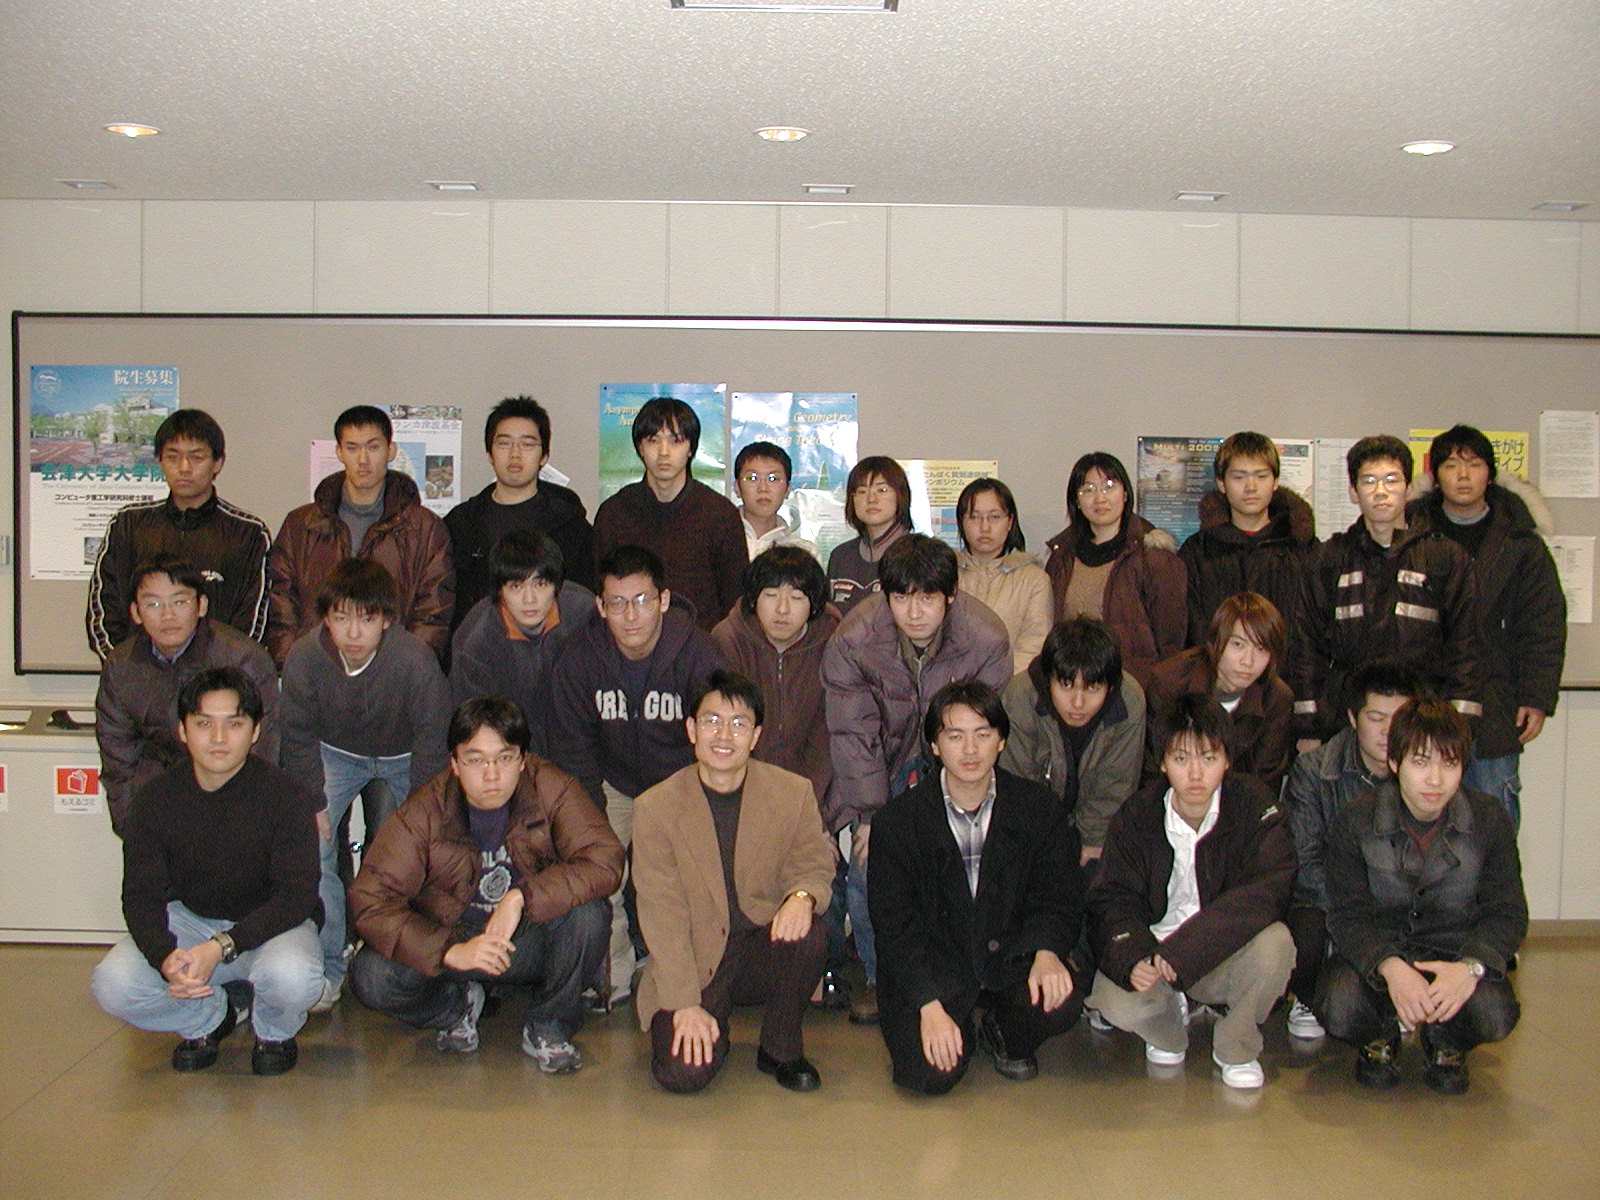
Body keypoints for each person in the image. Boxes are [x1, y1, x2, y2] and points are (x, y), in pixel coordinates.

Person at [348, 697, 622, 1071]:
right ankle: (455, 1009)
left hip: (526, 940)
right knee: (371, 976)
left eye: (504, 758)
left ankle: (549, 1026)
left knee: (589, 914)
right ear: (455, 764)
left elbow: (605, 859)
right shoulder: (425, 810)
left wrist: (522, 896)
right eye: (476, 760)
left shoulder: (552, 787)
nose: (492, 774)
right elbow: (370, 899)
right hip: (454, 940)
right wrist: (447, 950)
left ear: (522, 760)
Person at [90, 667, 322, 1077]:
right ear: (182, 730)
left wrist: (222, 946)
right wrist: (164, 956)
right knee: (113, 984)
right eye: (203, 724)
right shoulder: (154, 800)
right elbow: (141, 895)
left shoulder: (287, 797)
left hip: (270, 926)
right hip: (193, 921)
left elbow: (297, 897)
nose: (218, 738)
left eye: (234, 724)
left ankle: (274, 1032)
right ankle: (209, 1019)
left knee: (295, 979)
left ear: (255, 731)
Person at [821, 533, 1011, 1024]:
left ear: (950, 596)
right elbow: (853, 731)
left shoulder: (986, 638)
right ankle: (881, 979)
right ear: (885, 596)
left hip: (956, 765)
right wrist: (872, 816)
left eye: (928, 597)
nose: (915, 611)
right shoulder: (855, 639)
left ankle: (962, 977)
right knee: (869, 867)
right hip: (877, 769)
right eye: (901, 598)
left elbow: (982, 730)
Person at [870, 681, 1085, 1094]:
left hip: (1009, 957)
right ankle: (959, 1027)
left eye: (982, 734)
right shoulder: (897, 823)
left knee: (1062, 998)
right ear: (934, 746)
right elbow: (895, 926)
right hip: (936, 966)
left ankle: (1001, 1032)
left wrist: (1047, 950)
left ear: (1001, 741)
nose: (970, 750)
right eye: (955, 736)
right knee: (927, 1077)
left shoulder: (1038, 808)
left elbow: (1058, 893)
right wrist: (929, 1006)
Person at [634, 671, 835, 1093]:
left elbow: (814, 862)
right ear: (691, 729)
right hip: (696, 958)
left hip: (761, 944)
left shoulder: (792, 792)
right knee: (683, 1075)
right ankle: (706, 1023)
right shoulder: (656, 807)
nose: (724, 735)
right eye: (711, 721)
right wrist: (684, 1003)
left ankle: (780, 1047)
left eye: (739, 724)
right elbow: (661, 914)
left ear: (756, 735)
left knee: (810, 930)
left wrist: (801, 896)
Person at [1086, 694, 1295, 1090]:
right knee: (1112, 999)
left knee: (1277, 943)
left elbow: (1268, 888)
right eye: (1181, 759)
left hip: (1220, 951)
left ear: (1228, 760)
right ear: (1163, 762)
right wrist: (1132, 955)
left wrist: (1187, 951)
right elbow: (1112, 897)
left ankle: (1237, 1046)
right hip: (1157, 955)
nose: (1195, 774)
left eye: (1209, 758)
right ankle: (1168, 1027)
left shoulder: (1254, 806)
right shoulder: (1137, 814)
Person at [1317, 699, 1526, 1095]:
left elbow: (1507, 912)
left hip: (1455, 955)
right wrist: (1391, 967)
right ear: (1395, 763)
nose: (1435, 780)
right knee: (1338, 1004)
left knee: (1496, 1013)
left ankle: (1446, 1042)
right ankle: (1380, 1037)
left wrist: (1470, 968)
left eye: (1449, 764)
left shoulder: (1489, 818)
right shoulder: (1355, 819)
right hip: (1381, 960)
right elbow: (1346, 915)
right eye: (1420, 762)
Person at [547, 545, 727, 1004]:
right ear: (600, 606)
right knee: (597, 866)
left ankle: (687, 972)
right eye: (618, 603)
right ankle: (614, 973)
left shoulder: (700, 653)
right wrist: (593, 822)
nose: (631, 616)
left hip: (683, 782)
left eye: (643, 600)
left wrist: (700, 803)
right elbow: (573, 748)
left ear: (663, 600)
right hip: (610, 781)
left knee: (686, 877)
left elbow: (720, 739)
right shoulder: (578, 658)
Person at [279, 558, 452, 1012]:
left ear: (387, 620)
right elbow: (296, 734)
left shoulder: (415, 660)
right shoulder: (305, 657)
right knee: (312, 843)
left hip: (404, 756)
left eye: (367, 619)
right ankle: (329, 962)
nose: (353, 633)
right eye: (341, 618)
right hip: (335, 752)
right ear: (325, 619)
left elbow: (432, 738)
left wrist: (421, 810)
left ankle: (401, 951)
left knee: (420, 848)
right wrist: (312, 801)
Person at [1406, 424, 1566, 827]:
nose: (1463, 475)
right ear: (1435, 476)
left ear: (1490, 474)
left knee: (1493, 821)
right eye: (1451, 465)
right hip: (1425, 697)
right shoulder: (1410, 535)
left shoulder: (1521, 543)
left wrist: (1536, 696)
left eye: (1474, 464)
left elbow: (1543, 625)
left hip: (1496, 703)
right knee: (1421, 822)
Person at [710, 545, 845, 1004]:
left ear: (815, 602)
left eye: (797, 597)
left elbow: (828, 733)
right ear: (753, 599)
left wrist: (807, 813)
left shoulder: (835, 641)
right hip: (743, 792)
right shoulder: (728, 640)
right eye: (771, 595)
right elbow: (728, 736)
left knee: (825, 875)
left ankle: (818, 972)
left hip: (814, 794)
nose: (783, 609)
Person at [1290, 434, 1482, 746]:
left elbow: (1466, 646)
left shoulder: (1444, 557)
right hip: (1345, 723)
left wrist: (1459, 727)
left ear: (1409, 489)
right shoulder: (1328, 560)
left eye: (1392, 480)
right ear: (1354, 492)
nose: (1381, 491)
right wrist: (1308, 729)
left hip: (1423, 725)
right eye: (1369, 481)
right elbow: (1305, 647)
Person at [1282, 659, 1422, 1041]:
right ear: (1352, 717)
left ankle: (1402, 995)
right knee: (1303, 929)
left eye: (1398, 718)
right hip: (1331, 900)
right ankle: (1309, 996)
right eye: (1376, 718)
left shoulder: (1427, 773)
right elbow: (1305, 862)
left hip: (1399, 906)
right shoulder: (1314, 771)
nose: (1388, 731)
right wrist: (1359, 907)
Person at [95, 556, 281, 837]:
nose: (167, 615)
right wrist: (132, 829)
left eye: (180, 602)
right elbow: (118, 760)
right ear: (135, 612)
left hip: (229, 801)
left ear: (201, 605)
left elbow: (263, 752)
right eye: (153, 604)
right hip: (157, 800)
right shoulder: (121, 666)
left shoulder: (243, 659)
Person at [266, 404, 454, 665]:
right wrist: (295, 664)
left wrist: (406, 671)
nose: (363, 459)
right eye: (352, 448)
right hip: (316, 670)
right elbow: (281, 607)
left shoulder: (425, 529)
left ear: (391, 450)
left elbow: (433, 614)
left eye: (373, 447)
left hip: (394, 675)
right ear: (339, 452)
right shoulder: (301, 525)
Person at [87, 409, 271, 659]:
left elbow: (252, 625)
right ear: (160, 461)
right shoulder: (128, 525)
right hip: (138, 676)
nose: (184, 468)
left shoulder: (247, 534)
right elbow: (104, 613)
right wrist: (127, 670)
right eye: (173, 457)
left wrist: (219, 678)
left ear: (218, 463)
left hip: (218, 678)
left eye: (197, 457)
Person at [999, 616, 1146, 867]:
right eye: (1066, 686)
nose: (1078, 703)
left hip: (1099, 826)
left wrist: (1092, 839)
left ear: (1111, 687)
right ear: (1048, 678)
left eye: (1092, 688)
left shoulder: (1129, 700)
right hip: (1032, 826)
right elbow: (1018, 786)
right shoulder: (1020, 696)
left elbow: (1117, 782)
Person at [592, 396, 746, 630]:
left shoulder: (720, 515)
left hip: (701, 643)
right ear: (640, 448)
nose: (663, 452)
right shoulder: (614, 513)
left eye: (676, 441)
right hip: (629, 641)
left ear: (691, 449)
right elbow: (601, 593)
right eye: (653, 440)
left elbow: (735, 603)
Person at [445, 395, 596, 625]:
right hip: (480, 640)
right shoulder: (461, 523)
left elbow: (583, 603)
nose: (515, 453)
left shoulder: (570, 525)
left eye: (527, 444)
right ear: (489, 453)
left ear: (544, 456)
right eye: (504, 443)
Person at [1043, 451, 1186, 684]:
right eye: (1088, 489)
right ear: (1076, 501)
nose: (1100, 498)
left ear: (1125, 494)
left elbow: (1171, 641)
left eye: (1109, 486)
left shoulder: (1155, 558)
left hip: (1134, 686)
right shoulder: (1061, 559)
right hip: (1071, 685)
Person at [448, 529, 594, 756]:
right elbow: (474, 729)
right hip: (510, 753)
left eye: (540, 584)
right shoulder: (475, 644)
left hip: (582, 745)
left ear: (557, 585)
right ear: (499, 590)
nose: (529, 599)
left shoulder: (586, 614)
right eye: (516, 586)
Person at [1142, 592, 1294, 796]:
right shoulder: (1170, 682)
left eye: (1261, 649)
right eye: (1238, 645)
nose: (1248, 661)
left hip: (1240, 804)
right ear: (1216, 642)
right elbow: (1154, 770)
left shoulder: (1276, 699)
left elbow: (1263, 784)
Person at [1178, 431, 1317, 650]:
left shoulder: (1304, 549)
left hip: (1289, 670)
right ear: (1221, 483)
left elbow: (1315, 630)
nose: (1251, 487)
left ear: (1275, 482)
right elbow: (1191, 631)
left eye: (1261, 476)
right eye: (1239, 477)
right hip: (1217, 670)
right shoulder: (1197, 552)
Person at [955, 476, 1053, 675]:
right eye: (974, 517)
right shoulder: (945, 574)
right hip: (951, 687)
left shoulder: (1034, 579)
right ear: (962, 522)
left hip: (1011, 686)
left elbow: (1034, 644)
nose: (984, 527)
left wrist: (995, 682)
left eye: (994, 517)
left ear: (1010, 522)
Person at [826, 455, 912, 614]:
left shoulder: (921, 554)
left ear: (901, 495)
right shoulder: (841, 556)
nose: (871, 499)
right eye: (862, 491)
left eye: (882, 490)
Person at [733, 440, 820, 562]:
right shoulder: (715, 542)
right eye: (752, 478)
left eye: (773, 479)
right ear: (737, 487)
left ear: (788, 489)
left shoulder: (804, 554)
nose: (763, 488)